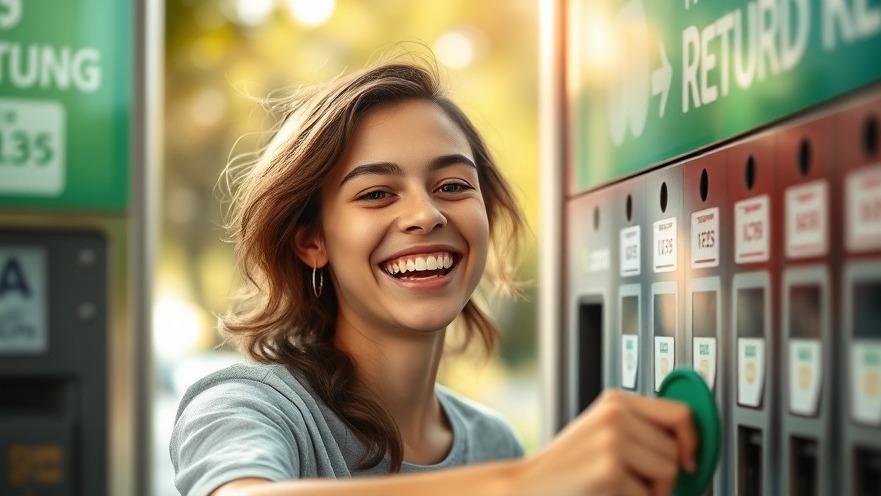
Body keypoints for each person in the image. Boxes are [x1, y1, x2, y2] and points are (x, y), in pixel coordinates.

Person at [170, 55, 697, 496]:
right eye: (377, 193)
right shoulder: (248, 404)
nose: (427, 214)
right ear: (313, 241)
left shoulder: (493, 443)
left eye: (452, 185)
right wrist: (527, 480)